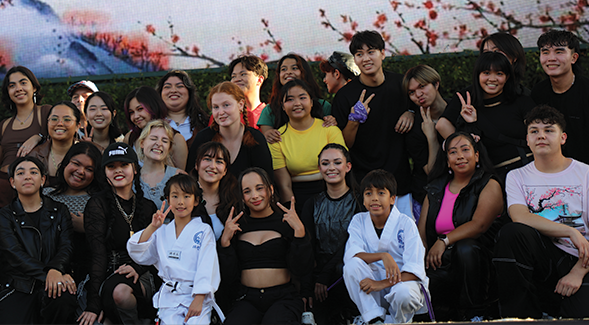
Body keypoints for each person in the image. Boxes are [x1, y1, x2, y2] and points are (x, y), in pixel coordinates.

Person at [494, 105, 589, 319]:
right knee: (511, 232)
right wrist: (570, 231)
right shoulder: (517, 176)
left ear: (563, 137)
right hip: (540, 256)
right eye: (534, 131)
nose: (541, 136)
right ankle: (519, 317)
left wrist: (579, 271)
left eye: (549, 130)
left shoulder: (585, 174)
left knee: (579, 318)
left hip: (580, 258)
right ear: (527, 140)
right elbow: (519, 216)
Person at [418, 132, 504, 320]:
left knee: (465, 248)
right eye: (453, 152)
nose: (460, 156)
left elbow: (479, 225)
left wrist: (444, 241)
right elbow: (422, 234)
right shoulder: (435, 189)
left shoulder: (489, 184)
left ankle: (475, 315)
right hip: (439, 260)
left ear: (476, 155)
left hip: (477, 260)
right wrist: (419, 262)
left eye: (465, 150)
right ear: (447, 160)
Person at [331, 30, 415, 218]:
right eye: (359, 54)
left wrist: (411, 112)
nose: (366, 58)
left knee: (405, 239)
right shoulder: (345, 96)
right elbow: (344, 145)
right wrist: (354, 120)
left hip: (400, 180)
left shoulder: (402, 84)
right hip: (364, 185)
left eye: (371, 52)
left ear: (383, 54)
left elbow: (425, 105)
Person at [219, 167, 313, 325]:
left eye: (259, 188)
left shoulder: (288, 222)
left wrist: (300, 233)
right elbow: (228, 277)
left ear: (270, 189)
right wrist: (225, 244)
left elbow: (302, 269)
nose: (254, 196)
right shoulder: (236, 226)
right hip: (246, 298)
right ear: (242, 197)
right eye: (247, 191)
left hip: (283, 298)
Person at [128, 174, 224, 325]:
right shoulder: (161, 231)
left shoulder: (203, 230)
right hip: (169, 298)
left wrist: (199, 299)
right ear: (167, 200)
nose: (180, 202)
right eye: (175, 196)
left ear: (196, 200)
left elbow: (207, 265)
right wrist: (153, 227)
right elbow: (138, 252)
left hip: (196, 296)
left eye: (186, 196)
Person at [79, 142, 158, 325]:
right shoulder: (97, 205)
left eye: (124, 165)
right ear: (105, 173)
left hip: (143, 273)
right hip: (107, 274)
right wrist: (93, 304)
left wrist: (137, 268)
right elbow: (97, 256)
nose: (118, 171)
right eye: (111, 166)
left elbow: (156, 249)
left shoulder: (148, 207)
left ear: (135, 169)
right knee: (118, 294)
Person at [343, 169, 429, 324]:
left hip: (403, 284)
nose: (374, 199)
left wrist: (381, 284)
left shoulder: (406, 223)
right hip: (372, 290)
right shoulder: (358, 221)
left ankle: (398, 321)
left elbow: (416, 270)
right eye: (368, 193)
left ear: (393, 199)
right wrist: (383, 256)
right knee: (351, 266)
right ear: (363, 200)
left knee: (403, 293)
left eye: (381, 193)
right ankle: (374, 318)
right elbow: (352, 254)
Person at [0, 156, 76, 324]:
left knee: (64, 299)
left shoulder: (59, 210)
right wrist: (49, 273)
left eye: (33, 172)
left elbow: (66, 246)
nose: (27, 176)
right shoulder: (4, 216)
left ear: (42, 180)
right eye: (21, 173)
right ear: (12, 182)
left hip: (54, 284)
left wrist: (56, 269)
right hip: (18, 286)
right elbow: (14, 254)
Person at [436, 52, 535, 180]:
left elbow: (539, 131)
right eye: (486, 73)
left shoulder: (520, 100)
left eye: (499, 74)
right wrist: (463, 145)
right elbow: (441, 125)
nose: (492, 79)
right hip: (493, 176)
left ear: (507, 77)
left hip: (528, 168)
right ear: (478, 75)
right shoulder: (466, 101)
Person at [301, 143, 363, 324]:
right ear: (319, 168)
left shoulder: (360, 202)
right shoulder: (311, 204)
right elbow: (307, 248)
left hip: (349, 275)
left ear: (348, 166)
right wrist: (308, 287)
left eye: (337, 162)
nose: (331, 168)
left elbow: (352, 244)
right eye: (325, 163)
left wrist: (324, 277)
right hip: (319, 279)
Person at [269, 79, 346, 213]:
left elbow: (342, 169)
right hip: (298, 199)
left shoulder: (330, 130)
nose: (297, 103)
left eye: (302, 98)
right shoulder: (277, 138)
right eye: (290, 99)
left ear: (311, 102)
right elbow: (284, 185)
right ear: (283, 106)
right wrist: (292, 213)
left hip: (333, 192)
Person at [436, 32, 530, 139]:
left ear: (514, 57)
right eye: (486, 52)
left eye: (497, 51)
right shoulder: (467, 96)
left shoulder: (523, 96)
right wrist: (464, 148)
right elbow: (442, 125)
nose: (491, 56)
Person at [44, 142, 104, 284]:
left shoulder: (99, 201)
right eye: (76, 163)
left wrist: (87, 227)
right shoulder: (45, 195)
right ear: (66, 163)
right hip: (45, 268)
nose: (81, 171)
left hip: (84, 273)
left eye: (89, 169)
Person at [187, 81, 273, 180]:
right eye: (215, 107)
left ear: (240, 105)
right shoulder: (203, 138)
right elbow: (190, 177)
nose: (221, 112)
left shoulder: (256, 139)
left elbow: (266, 181)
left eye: (226, 105)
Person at [530, 29, 589, 165]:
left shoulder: (586, 90)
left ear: (574, 58)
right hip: (551, 170)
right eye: (545, 52)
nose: (551, 58)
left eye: (559, 51)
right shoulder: (538, 93)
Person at [0, 66, 51, 207]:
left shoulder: (45, 113)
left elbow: (64, 136)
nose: (18, 89)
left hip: (32, 184)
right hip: (3, 184)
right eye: (12, 85)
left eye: (23, 83)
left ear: (34, 87)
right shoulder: (4, 125)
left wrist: (38, 136)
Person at [258, 53, 336, 144]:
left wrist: (331, 121)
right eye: (283, 69)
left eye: (294, 68)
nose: (288, 72)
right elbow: (268, 137)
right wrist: (269, 134)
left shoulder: (323, 106)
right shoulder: (269, 110)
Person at [402, 65, 447, 216]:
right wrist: (432, 137)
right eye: (412, 92)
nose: (418, 94)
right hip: (429, 195)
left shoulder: (456, 109)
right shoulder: (414, 129)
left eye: (422, 86)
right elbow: (431, 172)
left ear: (436, 84)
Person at [123, 86, 188, 170]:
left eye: (140, 109)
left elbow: (181, 178)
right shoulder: (129, 138)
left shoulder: (176, 139)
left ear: (153, 106)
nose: (136, 116)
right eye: (131, 112)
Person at [191, 141, 239, 241]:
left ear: (225, 170)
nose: (212, 166)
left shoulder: (234, 200)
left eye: (219, 162)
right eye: (207, 159)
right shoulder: (184, 197)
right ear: (196, 165)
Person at [29, 101, 82, 187]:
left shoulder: (91, 152)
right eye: (54, 119)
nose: (60, 123)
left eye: (67, 120)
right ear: (47, 123)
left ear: (77, 126)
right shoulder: (35, 156)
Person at [138, 120, 186, 210]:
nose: (159, 144)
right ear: (142, 143)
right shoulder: (131, 178)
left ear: (169, 148)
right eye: (153, 139)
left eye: (164, 141)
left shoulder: (178, 176)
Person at [155, 70, 209, 147]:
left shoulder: (205, 123)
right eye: (167, 87)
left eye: (180, 86)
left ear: (189, 92)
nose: (173, 90)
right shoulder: (151, 124)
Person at [228, 55, 268, 128]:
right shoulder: (224, 114)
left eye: (243, 74)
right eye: (233, 76)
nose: (237, 79)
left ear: (259, 80)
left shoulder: (271, 114)